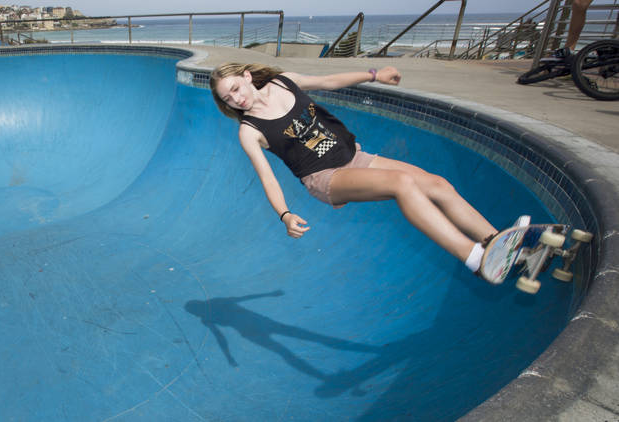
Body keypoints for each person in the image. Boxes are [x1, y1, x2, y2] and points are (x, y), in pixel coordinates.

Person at [210, 63, 529, 277]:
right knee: (402, 184)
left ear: (248, 77)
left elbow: (329, 81)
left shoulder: (284, 82)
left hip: (354, 157)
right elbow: (267, 176)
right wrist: (284, 214)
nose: (237, 99)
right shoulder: (249, 131)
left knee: (438, 184)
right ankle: (476, 258)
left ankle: (498, 243)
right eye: (229, 98)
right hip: (325, 178)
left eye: (236, 88)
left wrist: (373, 74)